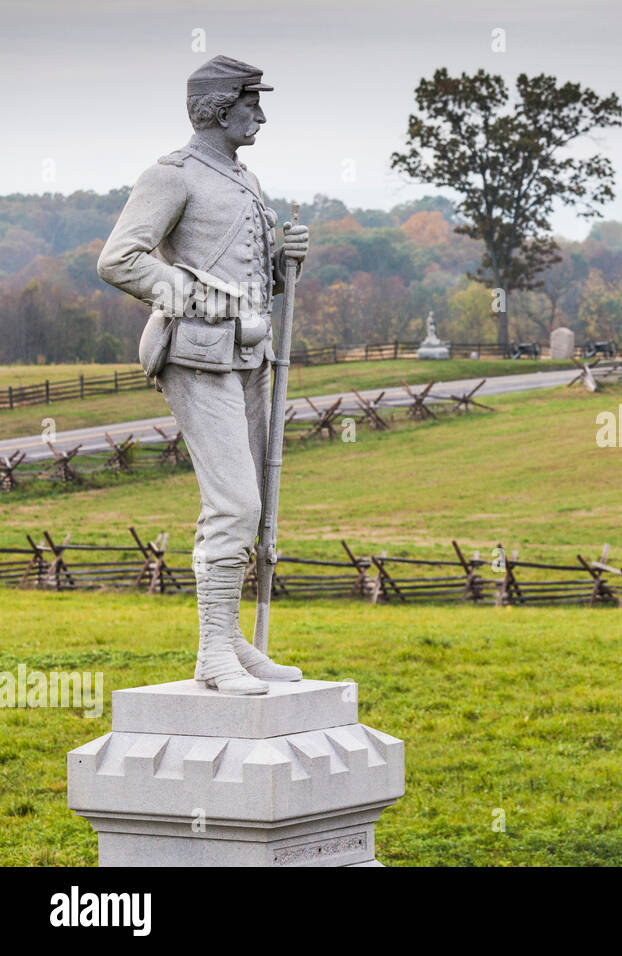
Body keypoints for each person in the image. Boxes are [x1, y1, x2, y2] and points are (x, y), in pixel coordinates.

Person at [98, 56, 310, 695]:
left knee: (253, 509)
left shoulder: (244, 180)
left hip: (248, 356)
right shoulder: (171, 175)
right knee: (235, 505)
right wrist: (188, 294)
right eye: (251, 104)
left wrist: (280, 262)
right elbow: (118, 259)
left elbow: (250, 280)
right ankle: (212, 653)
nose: (261, 116)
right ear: (219, 108)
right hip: (195, 354)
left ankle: (234, 643)